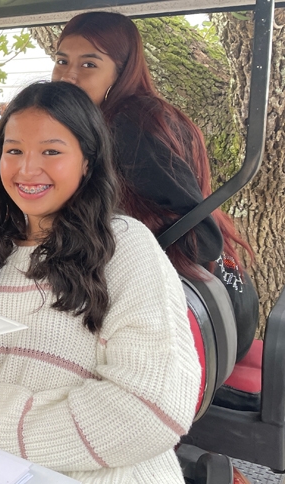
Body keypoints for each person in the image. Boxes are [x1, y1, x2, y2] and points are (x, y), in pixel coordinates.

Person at [0, 81, 200, 483]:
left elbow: (152, 407)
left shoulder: (126, 248)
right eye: (14, 151)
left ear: (88, 160)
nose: (28, 169)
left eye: (51, 151)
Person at [53, 11, 258, 362]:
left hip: (204, 320)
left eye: (89, 64)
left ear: (121, 71)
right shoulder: (126, 114)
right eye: (61, 60)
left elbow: (201, 239)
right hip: (224, 306)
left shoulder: (129, 122)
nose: (68, 75)